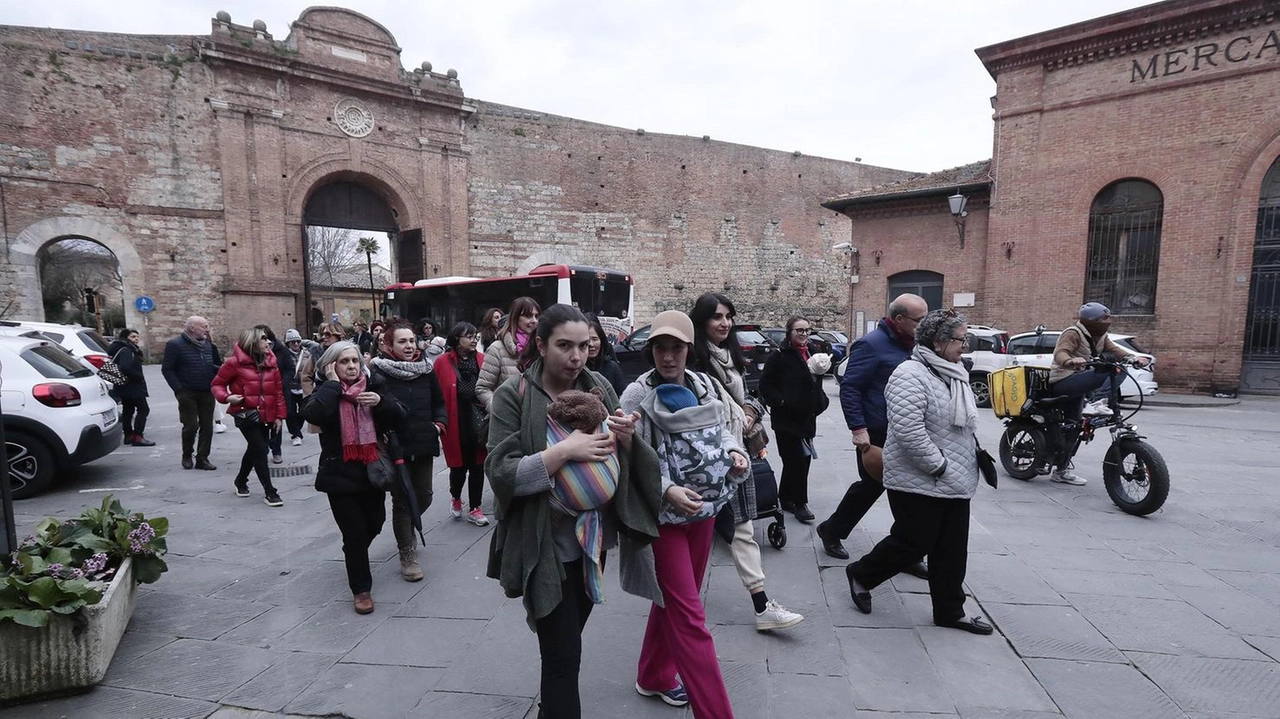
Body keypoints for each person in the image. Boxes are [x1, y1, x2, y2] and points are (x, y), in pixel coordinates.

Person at [486, 303, 662, 719]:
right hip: (543, 543)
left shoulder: (598, 383)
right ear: (541, 346)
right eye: (565, 346)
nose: (576, 356)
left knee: (566, 642)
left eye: (584, 345)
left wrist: (626, 437)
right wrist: (564, 451)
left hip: (592, 543)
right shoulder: (515, 394)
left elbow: (626, 451)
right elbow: (500, 472)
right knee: (565, 656)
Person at [621, 310, 745, 718]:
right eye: (660, 347)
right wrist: (667, 489)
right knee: (690, 615)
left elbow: (722, 429)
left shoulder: (703, 383)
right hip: (663, 518)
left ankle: (654, 675)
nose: (668, 355)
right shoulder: (637, 395)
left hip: (705, 510)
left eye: (676, 347)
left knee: (675, 601)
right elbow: (629, 457)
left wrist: (735, 452)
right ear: (651, 349)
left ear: (689, 350)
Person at [845, 309, 993, 635]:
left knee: (952, 549)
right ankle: (861, 574)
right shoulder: (909, 374)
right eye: (960, 339)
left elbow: (960, 425)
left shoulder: (953, 371)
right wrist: (938, 465)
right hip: (918, 477)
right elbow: (909, 431)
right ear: (939, 342)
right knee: (913, 542)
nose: (964, 346)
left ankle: (950, 611)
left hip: (955, 478)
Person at [688, 292, 803, 631]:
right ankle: (683, 603)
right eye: (716, 317)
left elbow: (749, 396)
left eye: (728, 316)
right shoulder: (694, 360)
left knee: (741, 530)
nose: (724, 323)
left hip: (735, 453)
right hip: (707, 459)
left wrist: (750, 412)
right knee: (710, 534)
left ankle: (761, 604)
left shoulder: (730, 356)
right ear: (702, 321)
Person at [817, 294, 932, 580]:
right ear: (900, 319)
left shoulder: (916, 345)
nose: (924, 325)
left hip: (906, 430)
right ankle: (832, 530)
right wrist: (858, 428)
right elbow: (851, 388)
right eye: (920, 320)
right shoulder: (872, 345)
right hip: (876, 433)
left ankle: (906, 551)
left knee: (906, 492)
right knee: (873, 486)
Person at [301, 341, 406, 614]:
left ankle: (354, 553)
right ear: (332, 366)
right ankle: (361, 589)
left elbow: (401, 416)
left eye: (354, 361)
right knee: (355, 532)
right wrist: (333, 386)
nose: (351, 366)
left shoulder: (374, 386)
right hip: (339, 473)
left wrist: (381, 403)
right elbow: (313, 414)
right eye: (344, 361)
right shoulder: (326, 391)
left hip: (372, 470)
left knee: (376, 522)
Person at [370, 320, 448, 582]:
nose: (408, 345)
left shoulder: (426, 370)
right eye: (402, 341)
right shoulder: (378, 373)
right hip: (396, 445)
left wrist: (439, 425)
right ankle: (407, 553)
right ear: (389, 344)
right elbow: (374, 412)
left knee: (424, 495)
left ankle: (408, 528)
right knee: (403, 501)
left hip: (424, 441)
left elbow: (439, 402)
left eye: (411, 341)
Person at [1046, 302, 1148, 485]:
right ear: (1092, 320)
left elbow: (1115, 351)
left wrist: (1132, 358)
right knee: (1106, 371)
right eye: (1104, 318)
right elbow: (1060, 354)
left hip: (1079, 383)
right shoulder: (1073, 333)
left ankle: (1060, 470)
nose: (1108, 321)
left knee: (1073, 426)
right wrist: (1070, 361)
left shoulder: (1101, 336)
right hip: (1063, 381)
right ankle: (1097, 402)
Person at [757, 316, 830, 523]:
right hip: (786, 420)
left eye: (807, 330)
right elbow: (766, 386)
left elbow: (817, 382)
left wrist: (820, 400)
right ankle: (800, 503)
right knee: (797, 460)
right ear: (789, 333)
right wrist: (780, 401)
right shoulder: (779, 356)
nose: (804, 334)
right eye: (799, 330)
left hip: (807, 417)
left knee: (798, 460)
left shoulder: (814, 352)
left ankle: (785, 497)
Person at [212, 327, 288, 506]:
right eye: (263, 339)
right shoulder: (234, 363)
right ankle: (270, 491)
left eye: (268, 339)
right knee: (261, 449)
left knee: (255, 449)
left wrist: (279, 416)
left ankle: (240, 480)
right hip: (245, 413)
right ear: (252, 342)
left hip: (267, 414)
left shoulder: (271, 361)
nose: (268, 342)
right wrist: (227, 397)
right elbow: (217, 385)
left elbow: (278, 391)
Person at [434, 321, 489, 525]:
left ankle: (475, 507)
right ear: (456, 339)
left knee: (478, 464)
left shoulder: (483, 360)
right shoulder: (442, 362)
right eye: (469, 336)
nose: (474, 340)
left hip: (479, 419)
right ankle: (456, 497)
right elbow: (436, 393)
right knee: (458, 467)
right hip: (455, 420)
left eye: (476, 336)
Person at [162, 316, 223, 471]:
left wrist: (224, 371)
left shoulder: (207, 345)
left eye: (207, 326)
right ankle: (187, 454)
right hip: (186, 392)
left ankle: (202, 458)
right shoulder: (175, 345)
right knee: (191, 426)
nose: (207, 329)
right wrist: (178, 389)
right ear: (192, 328)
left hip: (206, 390)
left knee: (207, 427)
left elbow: (210, 365)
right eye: (204, 326)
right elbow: (167, 369)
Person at [477, 296, 540, 411]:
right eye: (528, 316)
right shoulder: (497, 349)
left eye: (536, 316)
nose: (534, 320)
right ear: (515, 318)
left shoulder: (542, 347)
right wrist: (500, 412)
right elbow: (482, 388)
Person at [254, 324, 294, 465]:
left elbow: (290, 369)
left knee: (277, 423)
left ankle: (276, 451)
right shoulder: (253, 353)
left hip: (279, 393)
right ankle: (263, 449)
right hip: (261, 395)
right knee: (262, 424)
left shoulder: (281, 350)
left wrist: (281, 383)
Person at [108, 328, 154, 447]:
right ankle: (138, 436)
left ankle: (128, 435)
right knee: (143, 409)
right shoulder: (127, 350)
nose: (136, 339)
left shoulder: (125, 348)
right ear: (125, 338)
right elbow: (125, 367)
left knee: (128, 410)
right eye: (133, 337)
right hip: (132, 386)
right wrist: (138, 376)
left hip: (124, 385)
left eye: (137, 337)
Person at [298, 321, 345, 397]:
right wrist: (309, 396)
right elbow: (306, 376)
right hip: (323, 396)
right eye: (323, 334)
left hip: (345, 396)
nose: (323, 337)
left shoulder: (349, 351)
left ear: (337, 335)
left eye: (327, 334)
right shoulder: (317, 352)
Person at [585, 313, 626, 396]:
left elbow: (622, 394)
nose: (591, 344)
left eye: (595, 339)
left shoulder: (611, 367)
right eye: (587, 340)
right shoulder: (575, 368)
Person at [283, 329, 307, 446]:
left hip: (303, 388)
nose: (296, 344)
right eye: (293, 342)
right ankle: (297, 434)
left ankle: (295, 428)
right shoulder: (284, 355)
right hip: (289, 388)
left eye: (298, 341)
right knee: (290, 412)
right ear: (288, 343)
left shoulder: (307, 354)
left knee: (304, 412)